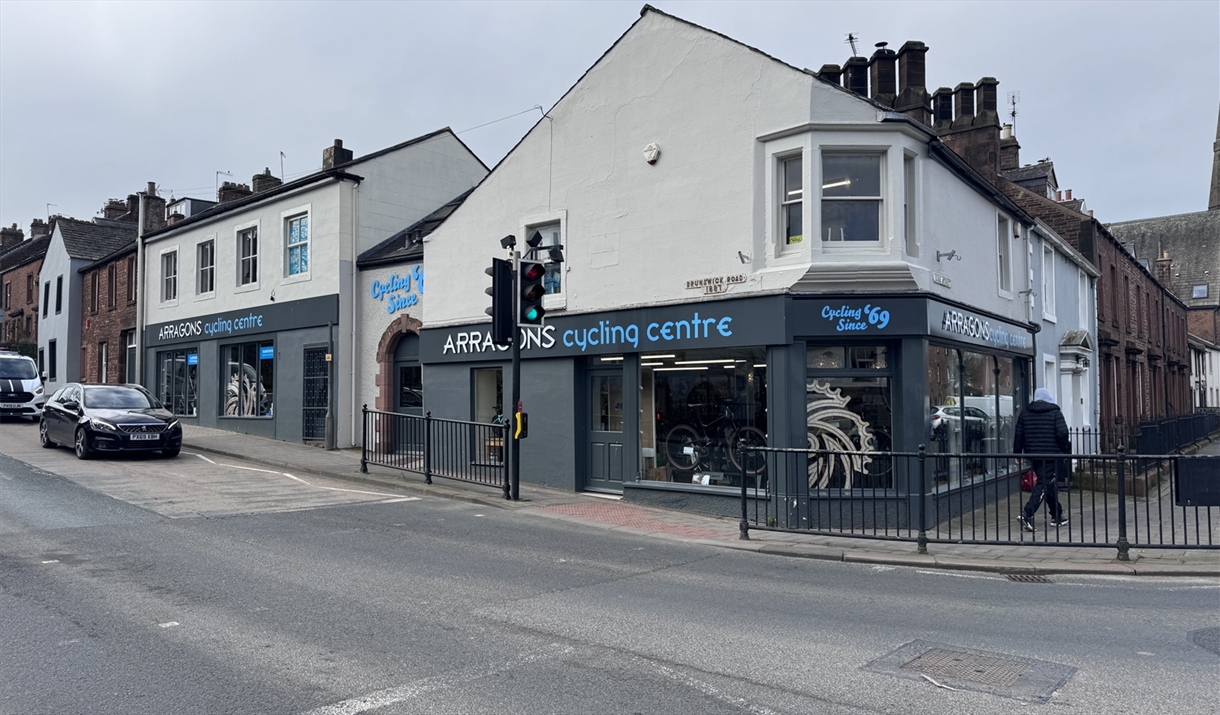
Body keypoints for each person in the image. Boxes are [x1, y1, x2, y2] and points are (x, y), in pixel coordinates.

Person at [1013, 387, 1071, 532]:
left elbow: (1019, 434)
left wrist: (1017, 453)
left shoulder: (1025, 413)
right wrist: (1064, 448)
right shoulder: (1055, 413)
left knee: (1047, 483)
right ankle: (1027, 513)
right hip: (1051, 455)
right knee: (1044, 484)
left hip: (1033, 454)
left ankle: (1056, 515)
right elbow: (1063, 432)